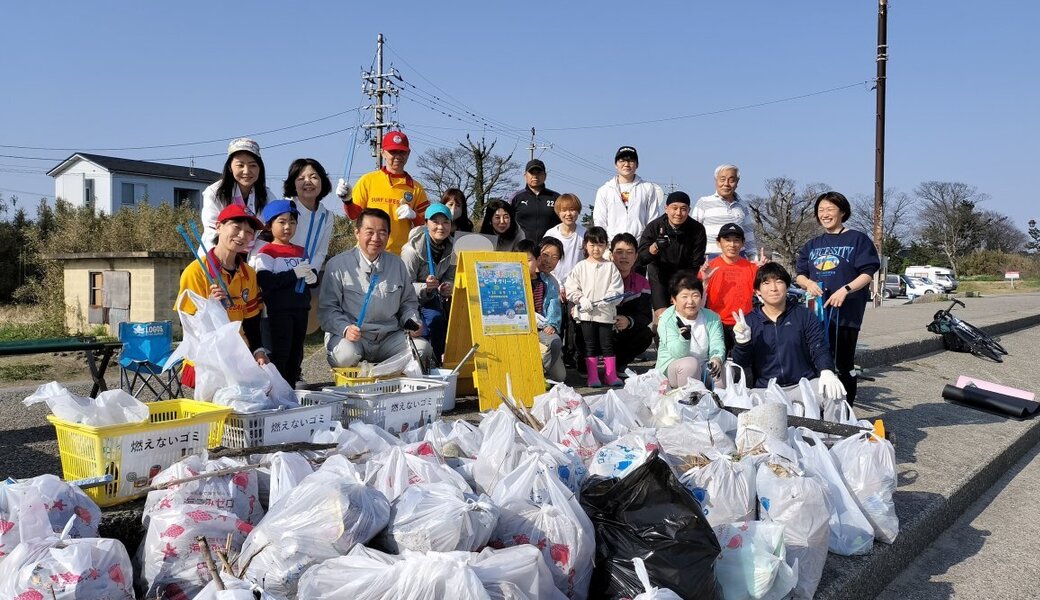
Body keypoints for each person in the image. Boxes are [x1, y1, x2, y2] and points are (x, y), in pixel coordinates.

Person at [794, 191, 881, 405]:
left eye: (830, 209)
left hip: (846, 315)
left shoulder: (857, 239)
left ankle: (846, 412)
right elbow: (800, 275)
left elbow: (867, 273)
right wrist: (808, 283)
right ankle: (820, 409)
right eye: (821, 210)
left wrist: (846, 289)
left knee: (843, 364)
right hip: (816, 314)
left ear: (842, 211)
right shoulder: (812, 244)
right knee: (816, 363)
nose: (825, 214)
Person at [319, 208, 432, 368]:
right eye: (369, 232)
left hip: (389, 337)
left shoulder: (397, 264)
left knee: (422, 349)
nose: (376, 238)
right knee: (345, 356)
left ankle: (389, 377)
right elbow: (327, 309)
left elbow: (408, 303)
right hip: (353, 338)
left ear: (388, 235)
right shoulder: (337, 265)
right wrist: (345, 329)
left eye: (382, 232)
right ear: (357, 233)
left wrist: (412, 322)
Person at [177, 205, 268, 387]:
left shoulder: (248, 273)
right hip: (206, 362)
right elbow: (187, 324)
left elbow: (251, 320)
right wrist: (211, 306)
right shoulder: (196, 272)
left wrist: (258, 349)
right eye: (236, 227)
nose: (242, 236)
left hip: (239, 356)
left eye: (249, 232)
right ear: (219, 226)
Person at [730, 262, 846, 402]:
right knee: (739, 402)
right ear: (757, 291)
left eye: (779, 282)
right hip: (766, 390)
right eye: (766, 283)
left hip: (803, 386)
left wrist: (827, 370)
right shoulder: (749, 321)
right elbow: (741, 364)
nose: (773, 288)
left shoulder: (804, 315)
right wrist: (742, 344)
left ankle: (831, 425)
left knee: (834, 392)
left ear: (787, 287)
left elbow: (819, 347)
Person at [250, 200, 318, 388]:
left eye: (292, 222)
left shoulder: (302, 251)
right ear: (270, 224)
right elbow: (267, 283)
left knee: (296, 354)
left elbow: (309, 278)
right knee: (281, 354)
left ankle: (291, 391)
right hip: (278, 312)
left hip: (301, 310)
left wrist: (313, 278)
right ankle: (278, 392)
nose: (287, 227)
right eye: (282, 222)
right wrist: (293, 274)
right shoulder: (266, 252)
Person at [338, 131, 430, 255]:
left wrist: (415, 216)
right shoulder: (368, 180)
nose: (398, 156)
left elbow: (428, 225)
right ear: (382, 153)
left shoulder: (416, 188)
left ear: (408, 153)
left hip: (400, 255)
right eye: (393, 151)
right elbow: (354, 215)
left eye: (402, 152)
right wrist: (347, 200)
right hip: (368, 252)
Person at [565, 227, 625, 387]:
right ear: (585, 245)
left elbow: (617, 288)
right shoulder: (580, 266)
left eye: (600, 244)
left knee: (607, 344)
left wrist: (609, 298)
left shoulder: (610, 267)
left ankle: (610, 375)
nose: (596, 248)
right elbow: (571, 288)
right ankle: (593, 377)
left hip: (605, 313)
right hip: (586, 314)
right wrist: (581, 299)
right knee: (589, 344)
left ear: (606, 246)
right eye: (592, 245)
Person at [637, 191, 707, 322]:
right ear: (666, 208)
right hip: (659, 276)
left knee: (683, 314)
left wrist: (679, 287)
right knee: (663, 316)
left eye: (683, 209)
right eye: (674, 208)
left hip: (685, 276)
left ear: (689, 210)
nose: (678, 213)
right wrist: (655, 247)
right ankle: (660, 338)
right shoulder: (654, 227)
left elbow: (695, 263)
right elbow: (641, 259)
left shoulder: (697, 229)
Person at [401, 203, 456, 361]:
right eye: (435, 222)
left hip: (432, 298)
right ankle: (417, 365)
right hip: (409, 301)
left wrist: (447, 286)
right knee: (422, 328)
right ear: (426, 223)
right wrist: (425, 287)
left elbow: (450, 276)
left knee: (439, 321)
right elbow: (403, 286)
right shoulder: (411, 250)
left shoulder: (453, 248)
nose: (441, 227)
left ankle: (438, 365)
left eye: (446, 222)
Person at [200, 138, 275, 252]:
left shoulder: (268, 196)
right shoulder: (214, 193)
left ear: (260, 168)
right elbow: (212, 230)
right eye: (240, 165)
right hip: (219, 255)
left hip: (255, 257)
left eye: (253, 165)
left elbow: (270, 231)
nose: (246, 171)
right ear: (230, 167)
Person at [655, 272, 726, 389]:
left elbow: (717, 343)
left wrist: (716, 358)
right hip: (675, 368)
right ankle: (687, 400)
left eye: (695, 295)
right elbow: (677, 353)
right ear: (673, 299)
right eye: (684, 296)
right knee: (690, 365)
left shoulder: (712, 317)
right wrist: (684, 338)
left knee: (724, 369)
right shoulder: (667, 319)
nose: (690, 301)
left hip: (704, 364)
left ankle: (717, 403)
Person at [702, 223, 758, 352]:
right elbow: (698, 298)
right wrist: (704, 282)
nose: (732, 245)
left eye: (736, 240)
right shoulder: (708, 268)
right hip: (716, 324)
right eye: (727, 240)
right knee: (718, 364)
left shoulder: (752, 268)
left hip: (744, 324)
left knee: (743, 365)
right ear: (718, 243)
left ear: (743, 243)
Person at [518, 240, 567, 382]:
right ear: (538, 255)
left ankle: (539, 371)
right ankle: (534, 374)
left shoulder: (550, 282)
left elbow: (553, 305)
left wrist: (552, 324)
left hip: (541, 327)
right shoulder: (515, 278)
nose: (548, 260)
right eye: (546, 254)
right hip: (521, 326)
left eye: (554, 257)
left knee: (560, 376)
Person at [593, 146, 665, 240]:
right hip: (612, 248)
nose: (626, 164)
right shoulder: (604, 190)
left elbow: (652, 219)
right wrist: (606, 247)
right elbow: (600, 221)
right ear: (615, 164)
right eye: (622, 160)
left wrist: (646, 245)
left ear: (637, 165)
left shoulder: (648, 188)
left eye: (631, 161)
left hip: (639, 247)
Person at [693, 164, 758, 259]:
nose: (726, 184)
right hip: (710, 259)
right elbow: (693, 234)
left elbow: (749, 237)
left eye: (731, 180)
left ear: (737, 182)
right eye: (722, 179)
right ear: (716, 180)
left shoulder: (743, 205)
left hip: (738, 259)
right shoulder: (703, 202)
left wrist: (754, 259)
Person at [610, 233, 654, 373]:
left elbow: (646, 316)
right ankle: (584, 364)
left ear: (635, 257)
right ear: (611, 255)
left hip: (623, 330)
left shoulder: (642, 283)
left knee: (646, 334)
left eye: (629, 252)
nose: (624, 256)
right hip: (600, 328)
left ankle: (618, 364)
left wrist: (629, 321)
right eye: (619, 252)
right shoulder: (599, 276)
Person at [283, 158, 335, 273]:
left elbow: (321, 252)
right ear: (293, 184)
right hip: (282, 276)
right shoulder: (285, 208)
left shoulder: (327, 216)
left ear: (322, 181)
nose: (308, 182)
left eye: (314, 177)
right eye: (301, 178)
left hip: (307, 280)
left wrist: (310, 273)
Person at [509, 159, 560, 242]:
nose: (535, 176)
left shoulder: (556, 197)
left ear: (545, 175)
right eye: (532, 173)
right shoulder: (516, 198)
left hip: (548, 248)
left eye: (539, 173)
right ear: (525, 175)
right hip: (522, 248)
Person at [542, 193, 586, 286]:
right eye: (564, 210)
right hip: (552, 284)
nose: (568, 214)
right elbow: (544, 262)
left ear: (578, 211)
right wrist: (558, 285)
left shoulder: (585, 234)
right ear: (558, 213)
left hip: (578, 286)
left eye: (572, 210)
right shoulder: (551, 234)